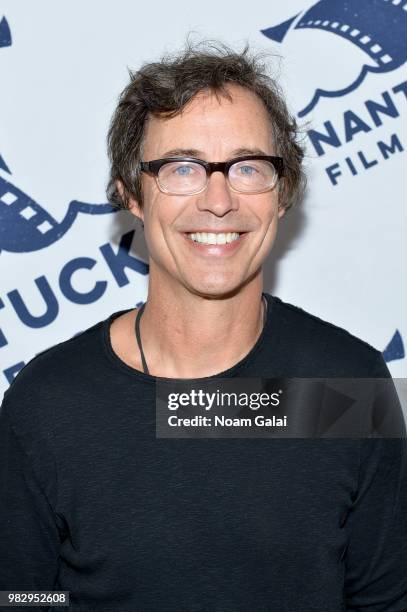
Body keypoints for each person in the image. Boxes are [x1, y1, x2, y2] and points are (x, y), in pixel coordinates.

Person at [0, 41, 406, 611]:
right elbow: (20, 599)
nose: (219, 200)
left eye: (248, 167)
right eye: (182, 168)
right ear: (131, 194)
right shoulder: (48, 404)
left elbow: (383, 599)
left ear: (282, 192)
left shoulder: (348, 384)